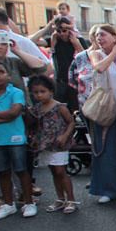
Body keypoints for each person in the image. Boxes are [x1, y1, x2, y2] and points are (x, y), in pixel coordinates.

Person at [86, 24, 116, 207]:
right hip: (106, 108)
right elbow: (99, 68)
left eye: (103, 35)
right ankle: (109, 189)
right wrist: (115, 52)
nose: (99, 38)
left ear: (114, 36)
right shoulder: (95, 53)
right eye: (98, 35)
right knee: (106, 150)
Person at [0, 62, 36, 219]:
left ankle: (29, 202)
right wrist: (6, 115)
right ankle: (9, 204)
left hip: (15, 139)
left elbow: (14, 113)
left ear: (8, 75)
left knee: (21, 170)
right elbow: (9, 114)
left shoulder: (16, 92)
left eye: (0, 71)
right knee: (2, 172)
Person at [26, 75, 76, 214]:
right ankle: (60, 198)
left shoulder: (60, 107)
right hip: (45, 144)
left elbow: (71, 122)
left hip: (59, 144)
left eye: (42, 91)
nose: (39, 95)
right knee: (54, 171)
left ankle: (71, 199)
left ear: (51, 91)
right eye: (36, 92)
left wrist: (65, 136)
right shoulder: (36, 109)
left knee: (61, 171)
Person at [50, 17, 88, 112]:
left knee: (76, 109)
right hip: (60, 81)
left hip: (76, 81)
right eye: (59, 31)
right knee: (60, 109)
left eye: (64, 30)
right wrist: (52, 42)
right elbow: (33, 41)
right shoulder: (55, 40)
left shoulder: (79, 40)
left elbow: (86, 57)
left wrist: (76, 43)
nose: (62, 34)